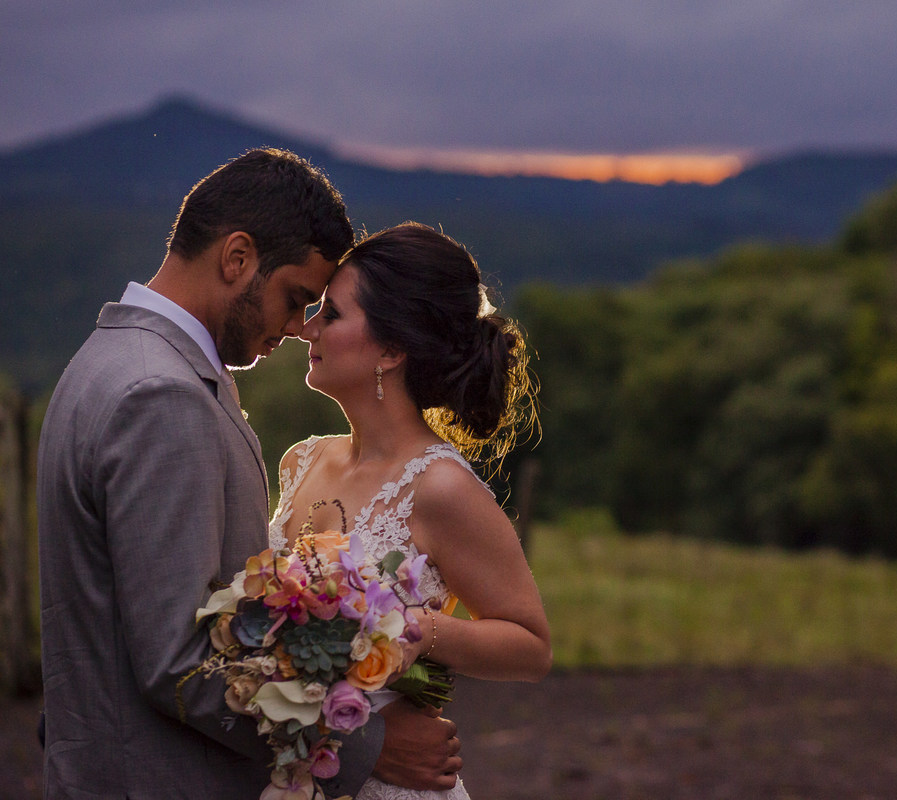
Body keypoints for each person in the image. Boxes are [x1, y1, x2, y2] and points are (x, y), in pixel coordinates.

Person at [37, 149, 463, 799]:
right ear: (237, 258)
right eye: (296, 299)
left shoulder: (106, 360)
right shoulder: (164, 397)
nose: (298, 329)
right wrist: (366, 746)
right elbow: (179, 660)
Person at [270, 221, 552, 799]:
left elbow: (531, 646)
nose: (307, 328)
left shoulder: (440, 487)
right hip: (297, 770)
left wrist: (422, 631)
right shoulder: (300, 461)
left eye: (333, 314)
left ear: (392, 350)